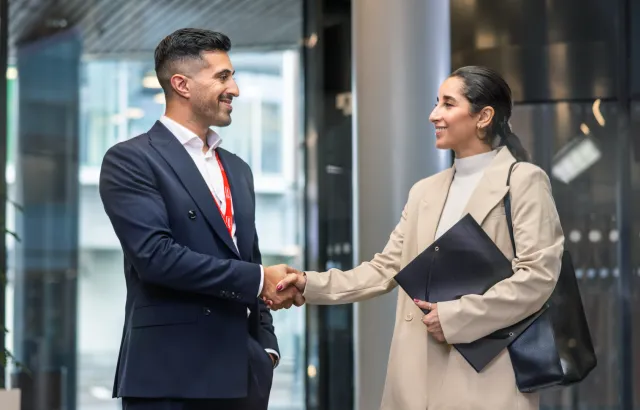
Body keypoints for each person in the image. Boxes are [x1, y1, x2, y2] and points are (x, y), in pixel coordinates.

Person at [272, 66, 564, 410]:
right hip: (413, 375)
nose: (433, 115)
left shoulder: (524, 181)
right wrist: (307, 283)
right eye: (435, 103)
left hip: (487, 372)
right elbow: (385, 268)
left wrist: (456, 317)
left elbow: (537, 276)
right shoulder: (425, 190)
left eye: (447, 104)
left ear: (484, 116)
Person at [99, 28, 302, 410]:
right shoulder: (131, 160)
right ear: (182, 84)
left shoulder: (238, 169)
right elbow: (156, 258)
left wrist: (266, 348)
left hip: (242, 378)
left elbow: (249, 257)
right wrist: (259, 280)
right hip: (170, 380)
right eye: (223, 76)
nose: (235, 89)